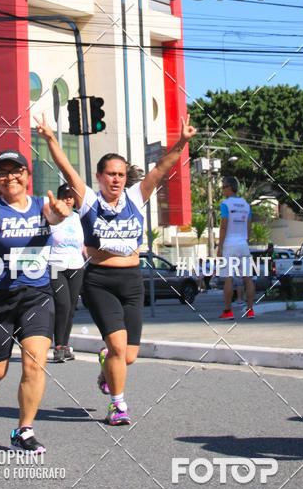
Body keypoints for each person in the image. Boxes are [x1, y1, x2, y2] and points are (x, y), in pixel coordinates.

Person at [35, 113, 196, 426]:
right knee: (119, 347)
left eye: (121, 174)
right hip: (100, 281)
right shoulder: (88, 201)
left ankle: (107, 365)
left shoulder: (137, 196)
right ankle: (117, 406)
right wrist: (50, 138)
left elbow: (162, 167)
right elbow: (66, 168)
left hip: (132, 281)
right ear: (99, 176)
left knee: (129, 355)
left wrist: (183, 141)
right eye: (110, 174)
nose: (116, 179)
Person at [0, 149, 70, 454]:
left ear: (27, 176)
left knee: (35, 363)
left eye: (17, 171)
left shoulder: (42, 205)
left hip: (36, 295)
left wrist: (59, 215)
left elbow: (53, 217)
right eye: (3, 173)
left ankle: (23, 431)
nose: (10, 177)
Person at [48, 183, 86, 363]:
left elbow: (84, 245)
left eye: (71, 196)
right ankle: (57, 347)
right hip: (56, 266)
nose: (68, 199)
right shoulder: (52, 217)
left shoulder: (79, 218)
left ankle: (64, 346)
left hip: (76, 266)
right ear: (59, 198)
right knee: (62, 304)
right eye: (65, 196)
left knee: (71, 308)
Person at [217, 176, 254, 320]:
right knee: (248, 278)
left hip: (229, 245)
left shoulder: (226, 204)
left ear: (228, 187)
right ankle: (250, 310)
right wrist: (246, 239)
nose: (222, 190)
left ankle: (228, 311)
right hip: (243, 244)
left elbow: (223, 226)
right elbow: (249, 225)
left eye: (222, 187)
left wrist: (220, 247)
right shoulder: (246, 205)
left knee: (229, 279)